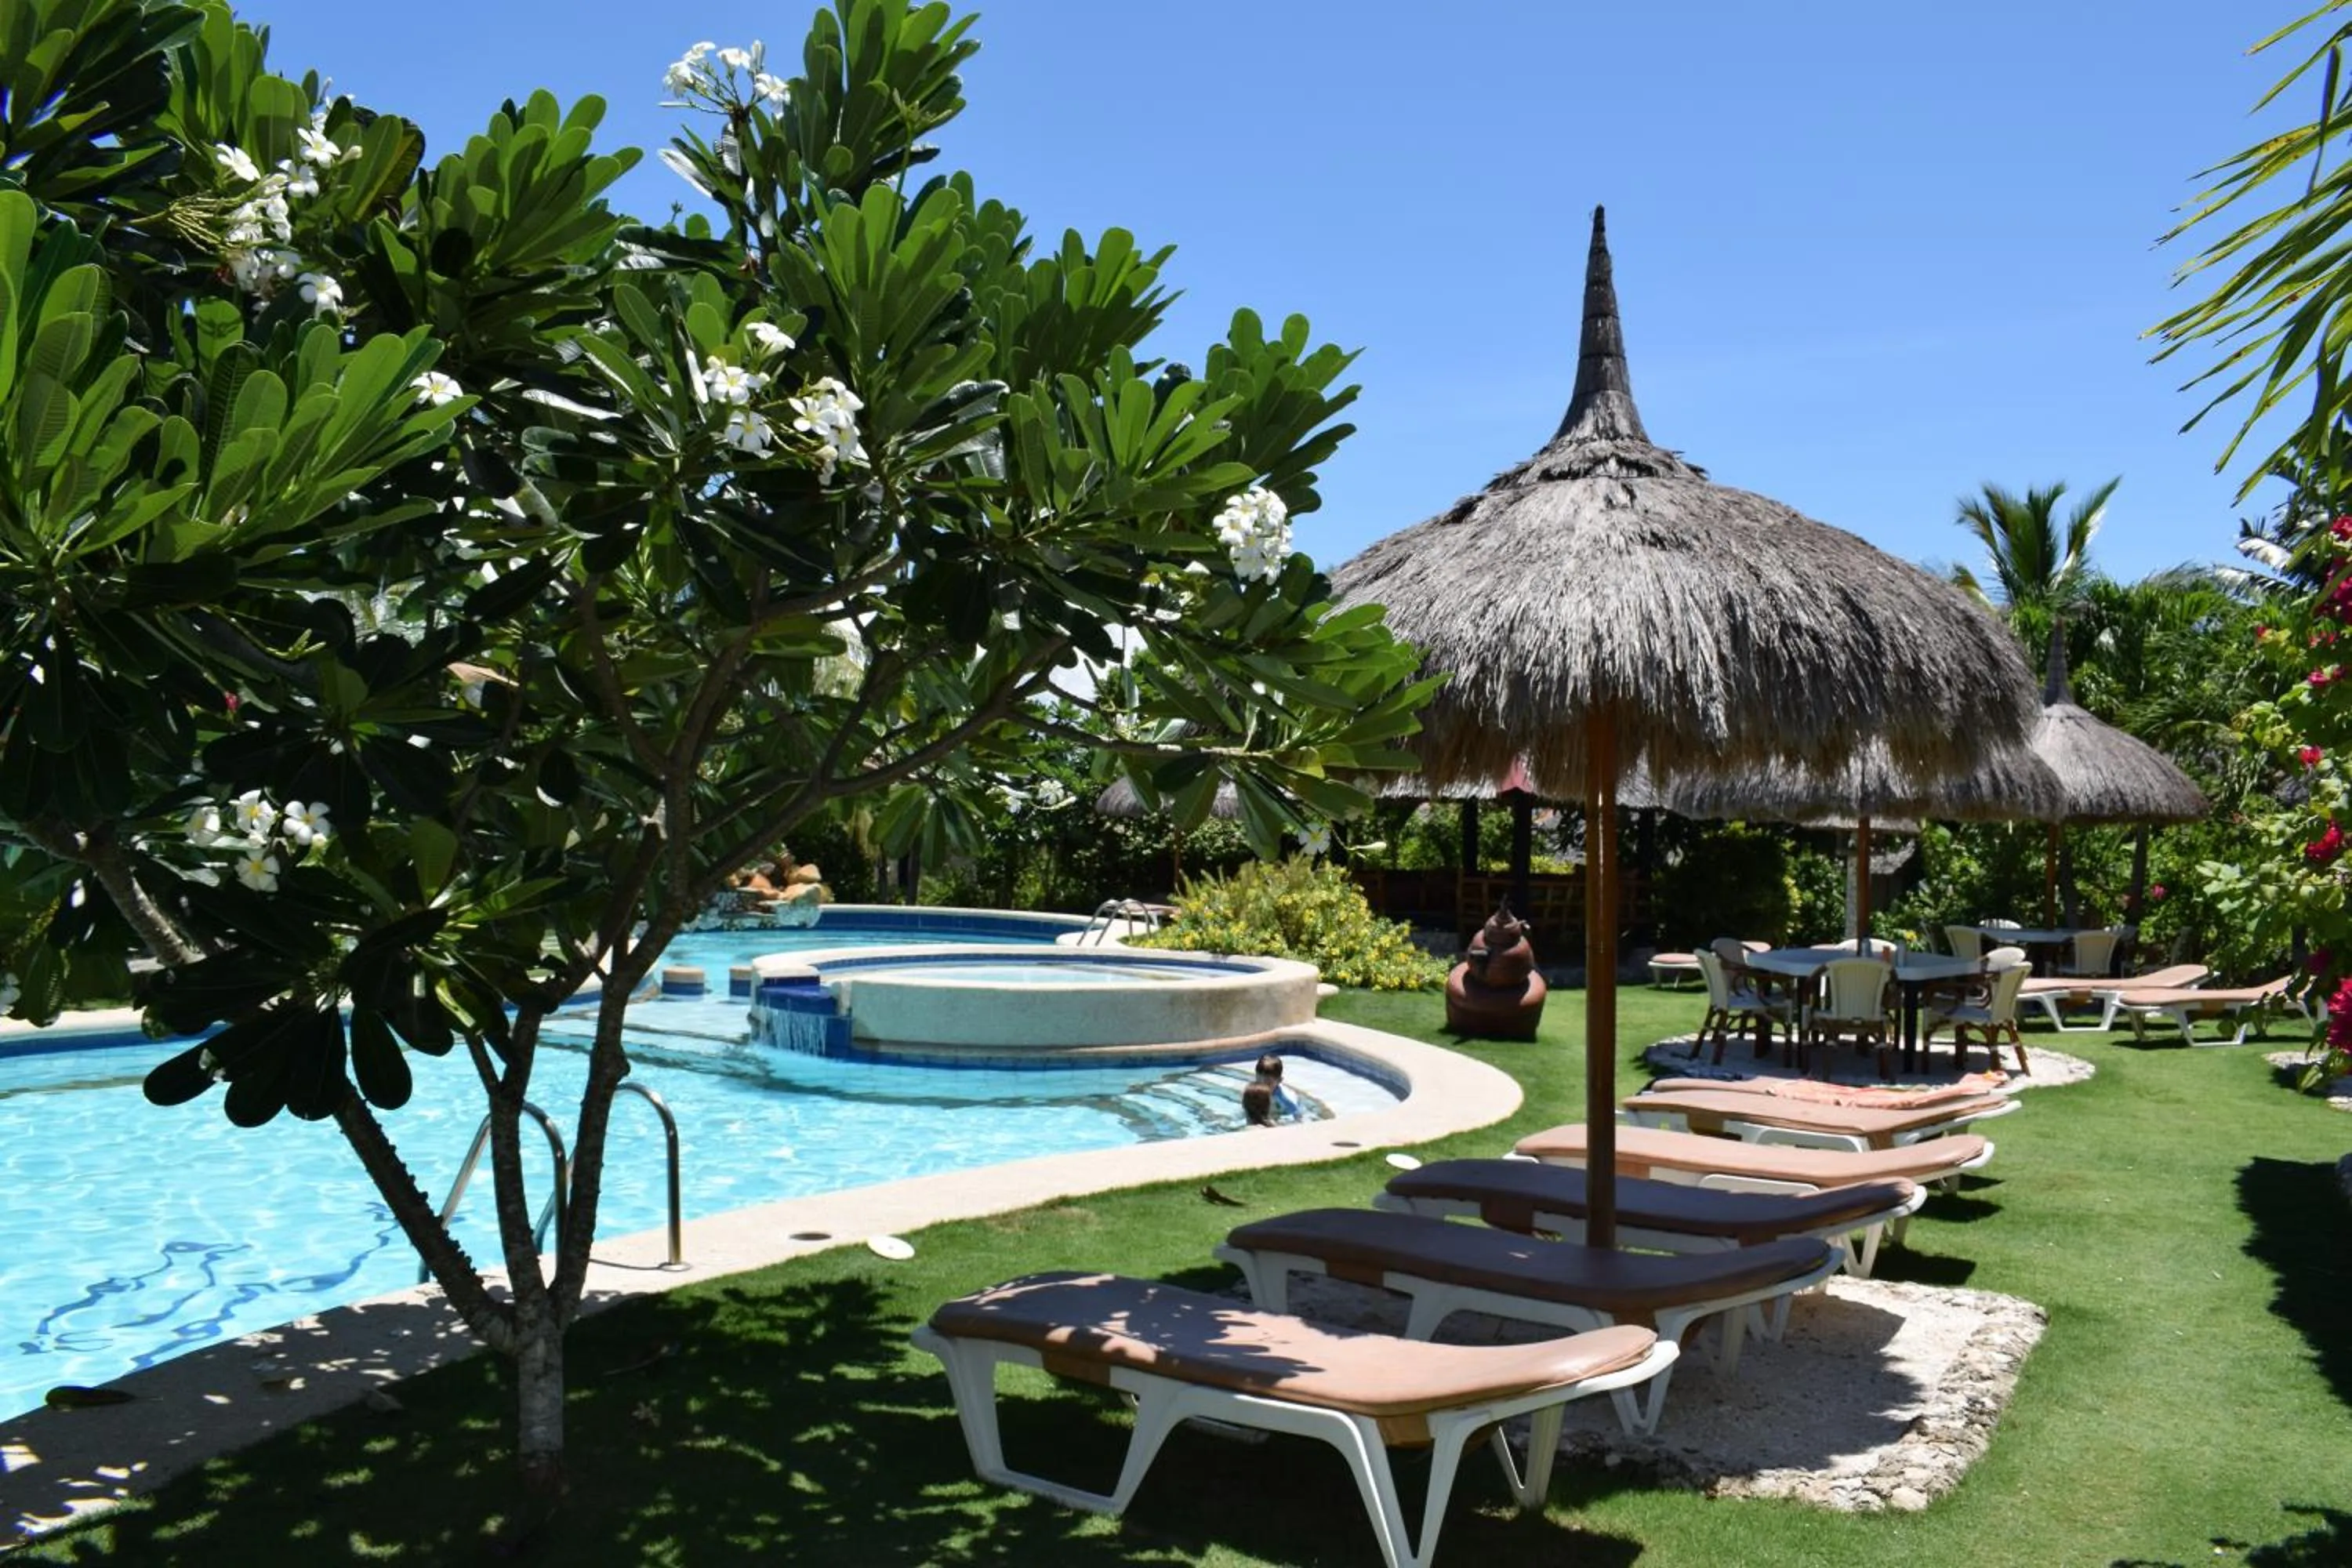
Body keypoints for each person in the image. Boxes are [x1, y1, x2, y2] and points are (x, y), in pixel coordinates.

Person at [1254, 1054, 1299, 1121]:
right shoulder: (1254, 1091)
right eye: (1259, 1081)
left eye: (1268, 1083)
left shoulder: (1286, 1098)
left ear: (1279, 1080)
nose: (1262, 1085)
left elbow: (1297, 1117)